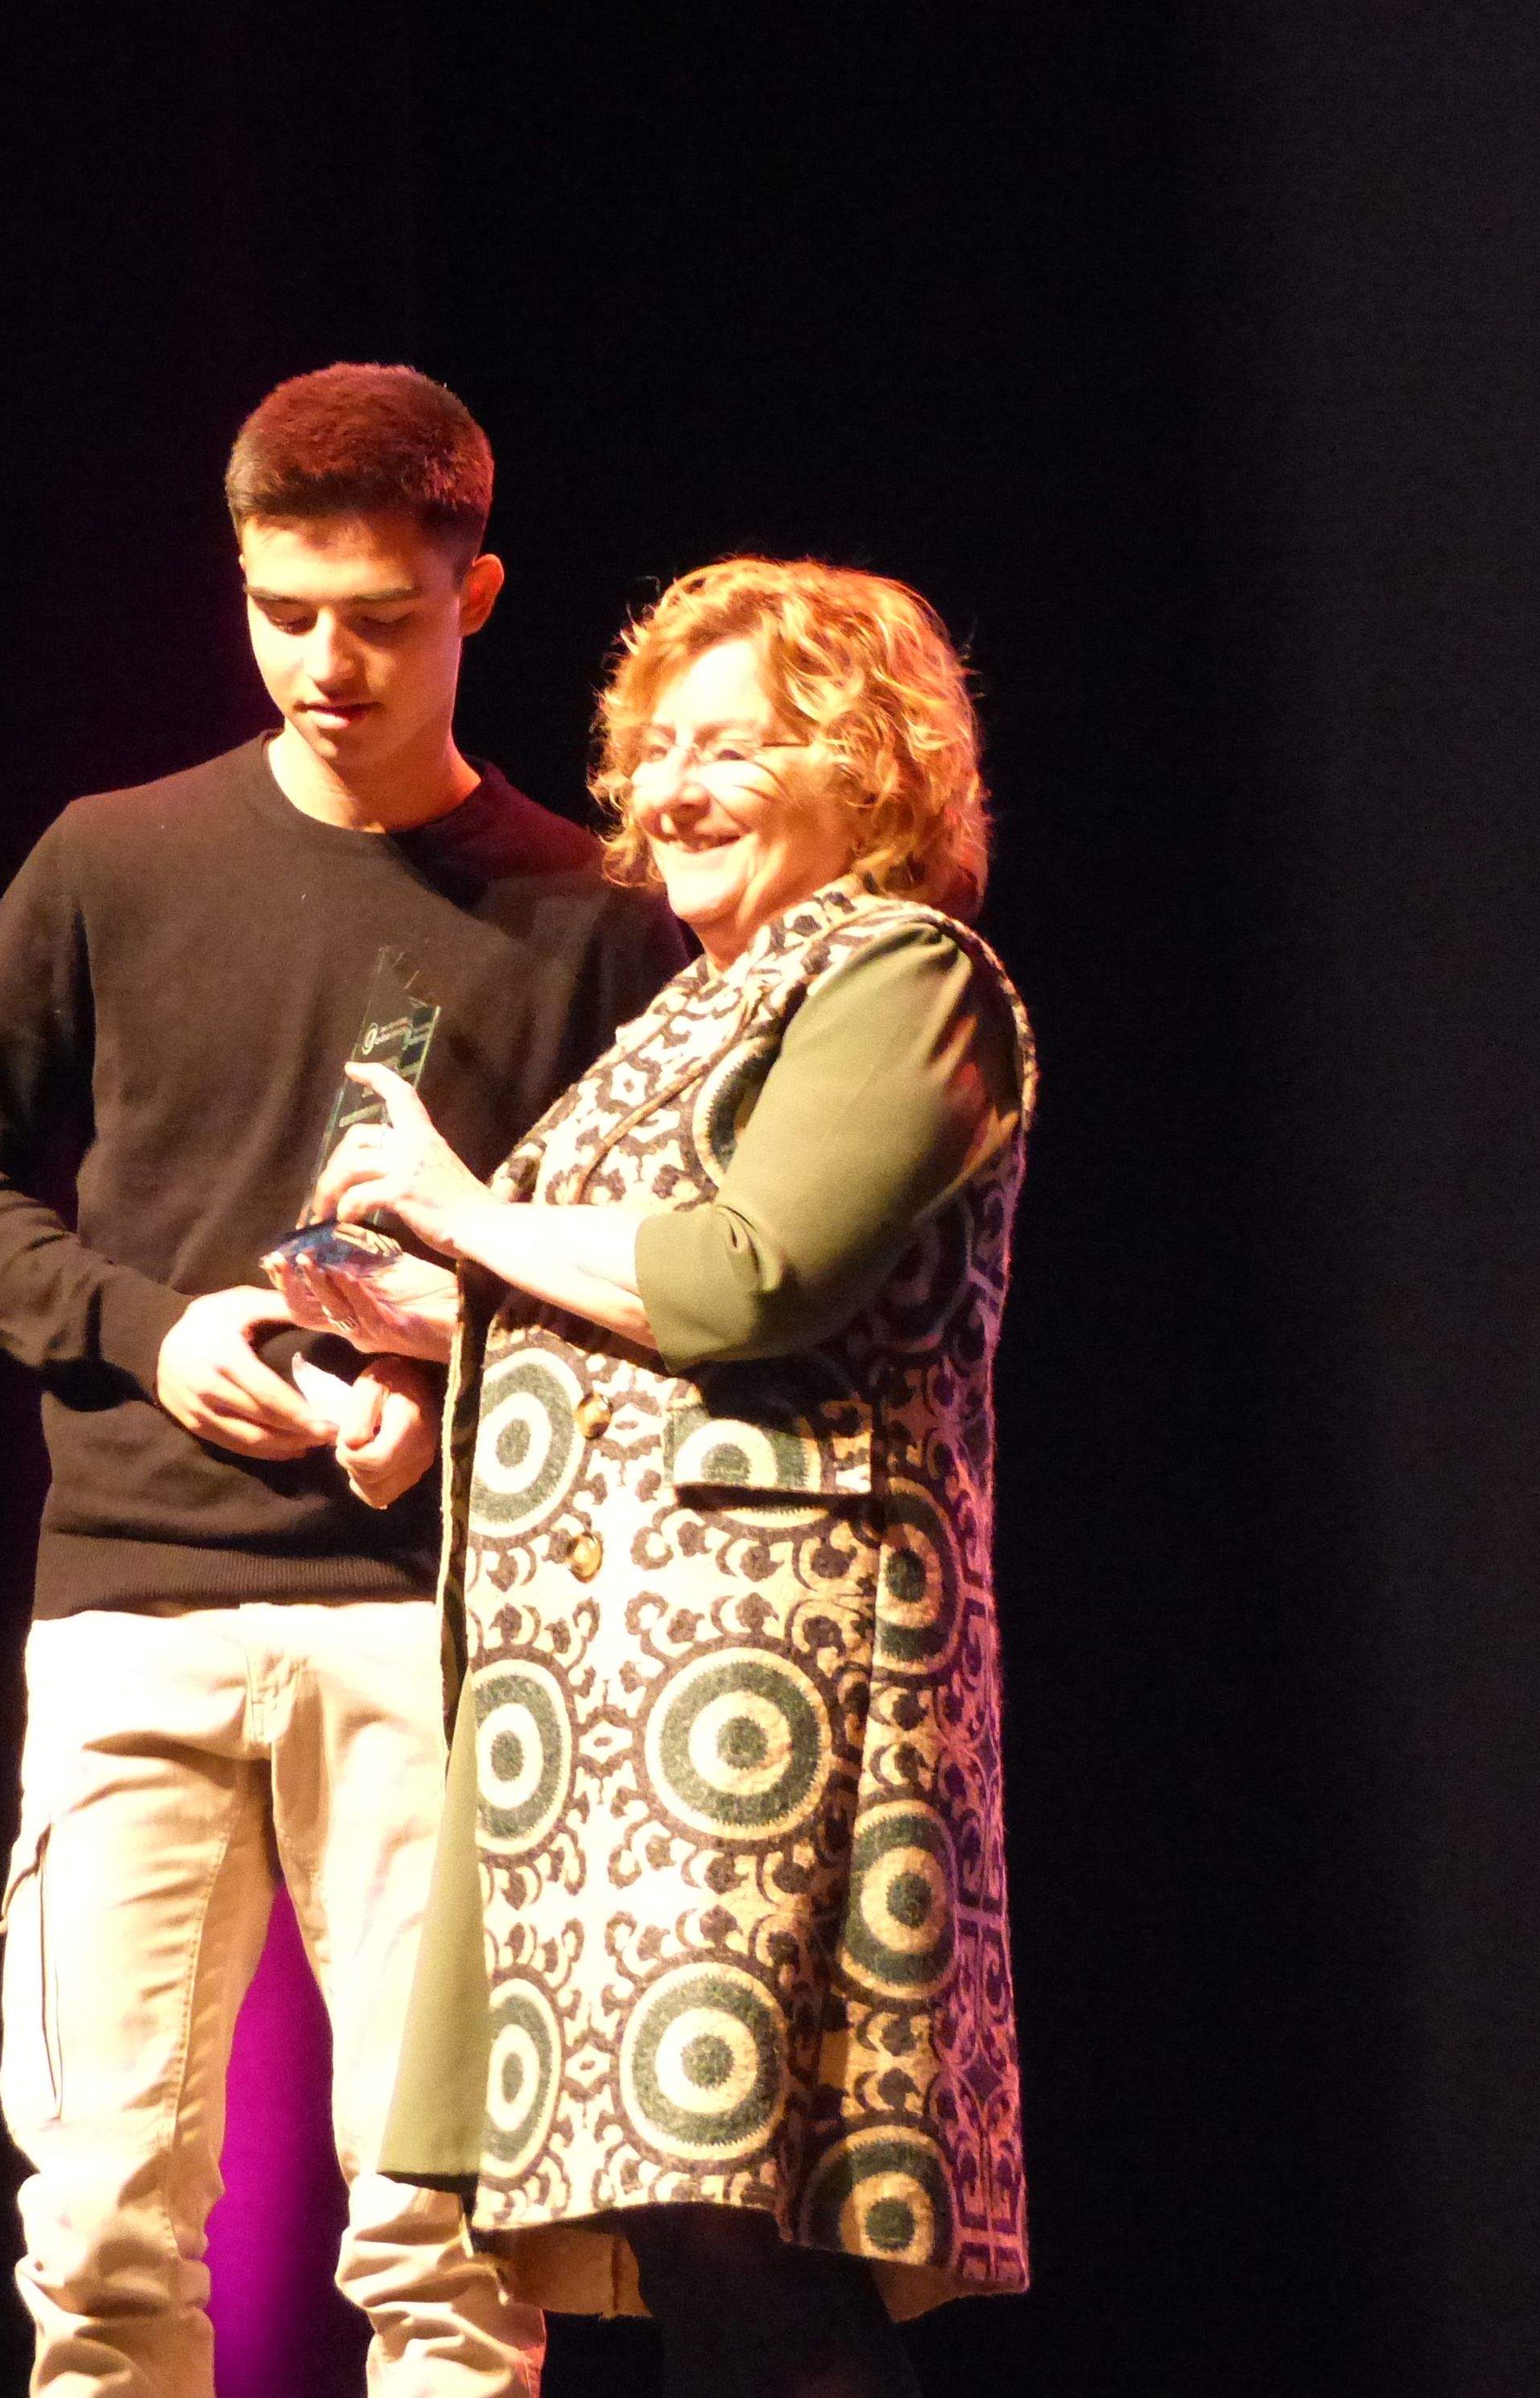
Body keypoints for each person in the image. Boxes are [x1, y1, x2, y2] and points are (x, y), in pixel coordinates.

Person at [0, 364, 686, 2398]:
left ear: (476, 596)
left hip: (433, 1624)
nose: (326, 665)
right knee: (97, 2224)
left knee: (440, 2251)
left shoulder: (592, 913)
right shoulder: (113, 859)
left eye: (380, 618)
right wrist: (155, 1327)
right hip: (134, 1611)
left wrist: (464, 1386)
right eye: (283, 613)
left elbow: (655, 1289)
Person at [278, 557, 1034, 2398]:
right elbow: (593, 1303)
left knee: (748, 2229)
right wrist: (424, 1371)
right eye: (654, 753)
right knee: (690, 2232)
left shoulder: (898, 971)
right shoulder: (686, 1011)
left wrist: (464, 1219)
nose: (667, 793)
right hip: (590, 1720)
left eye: (732, 747)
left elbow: (747, 1274)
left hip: (748, 1697)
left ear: (864, 767)